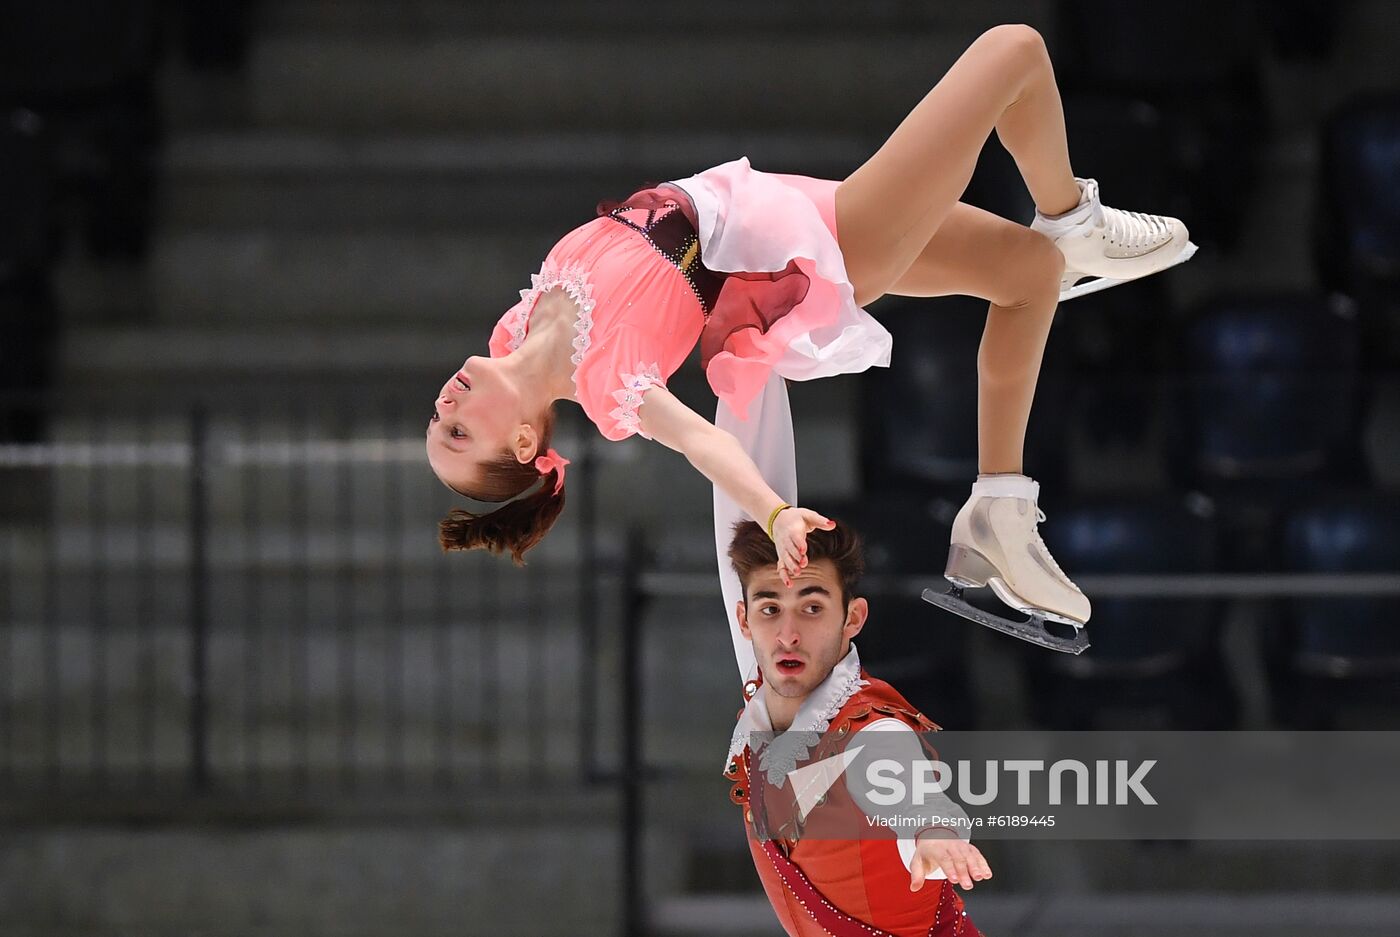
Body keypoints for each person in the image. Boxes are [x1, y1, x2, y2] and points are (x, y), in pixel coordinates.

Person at [427, 24, 1196, 651]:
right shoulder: (607, 382)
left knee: (1029, 271)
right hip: (811, 250)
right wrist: (772, 512)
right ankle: (1075, 218)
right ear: (527, 438)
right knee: (1014, 51)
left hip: (788, 204)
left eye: (438, 422)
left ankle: (998, 508)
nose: (444, 407)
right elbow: (704, 446)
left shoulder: (516, 326)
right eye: (459, 432)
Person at [723, 517, 991, 937]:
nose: (788, 635)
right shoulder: (763, 704)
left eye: (812, 608)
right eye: (770, 609)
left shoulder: (872, 733)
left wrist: (933, 833)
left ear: (853, 618)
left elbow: (909, 787)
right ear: (744, 620)